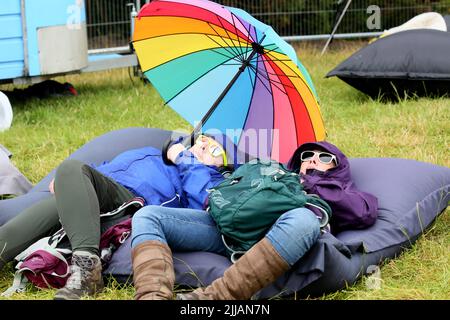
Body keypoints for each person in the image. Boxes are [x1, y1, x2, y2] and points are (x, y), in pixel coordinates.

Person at [0, 132, 238, 300]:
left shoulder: (209, 179)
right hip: (97, 191)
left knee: (70, 168)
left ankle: (86, 270)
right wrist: (71, 183)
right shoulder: (151, 152)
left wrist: (184, 159)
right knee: (67, 174)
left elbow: (200, 205)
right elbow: (106, 168)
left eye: (215, 149)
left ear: (223, 167)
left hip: (128, 202)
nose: (205, 145)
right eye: (204, 140)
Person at [130, 141, 378, 300]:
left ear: (338, 167)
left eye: (324, 158)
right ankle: (152, 295)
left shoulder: (343, 192)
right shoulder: (275, 172)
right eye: (307, 155)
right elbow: (214, 197)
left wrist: (307, 182)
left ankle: (213, 299)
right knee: (148, 215)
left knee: (305, 219)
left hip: (280, 237)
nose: (313, 159)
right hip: (227, 230)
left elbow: (363, 212)